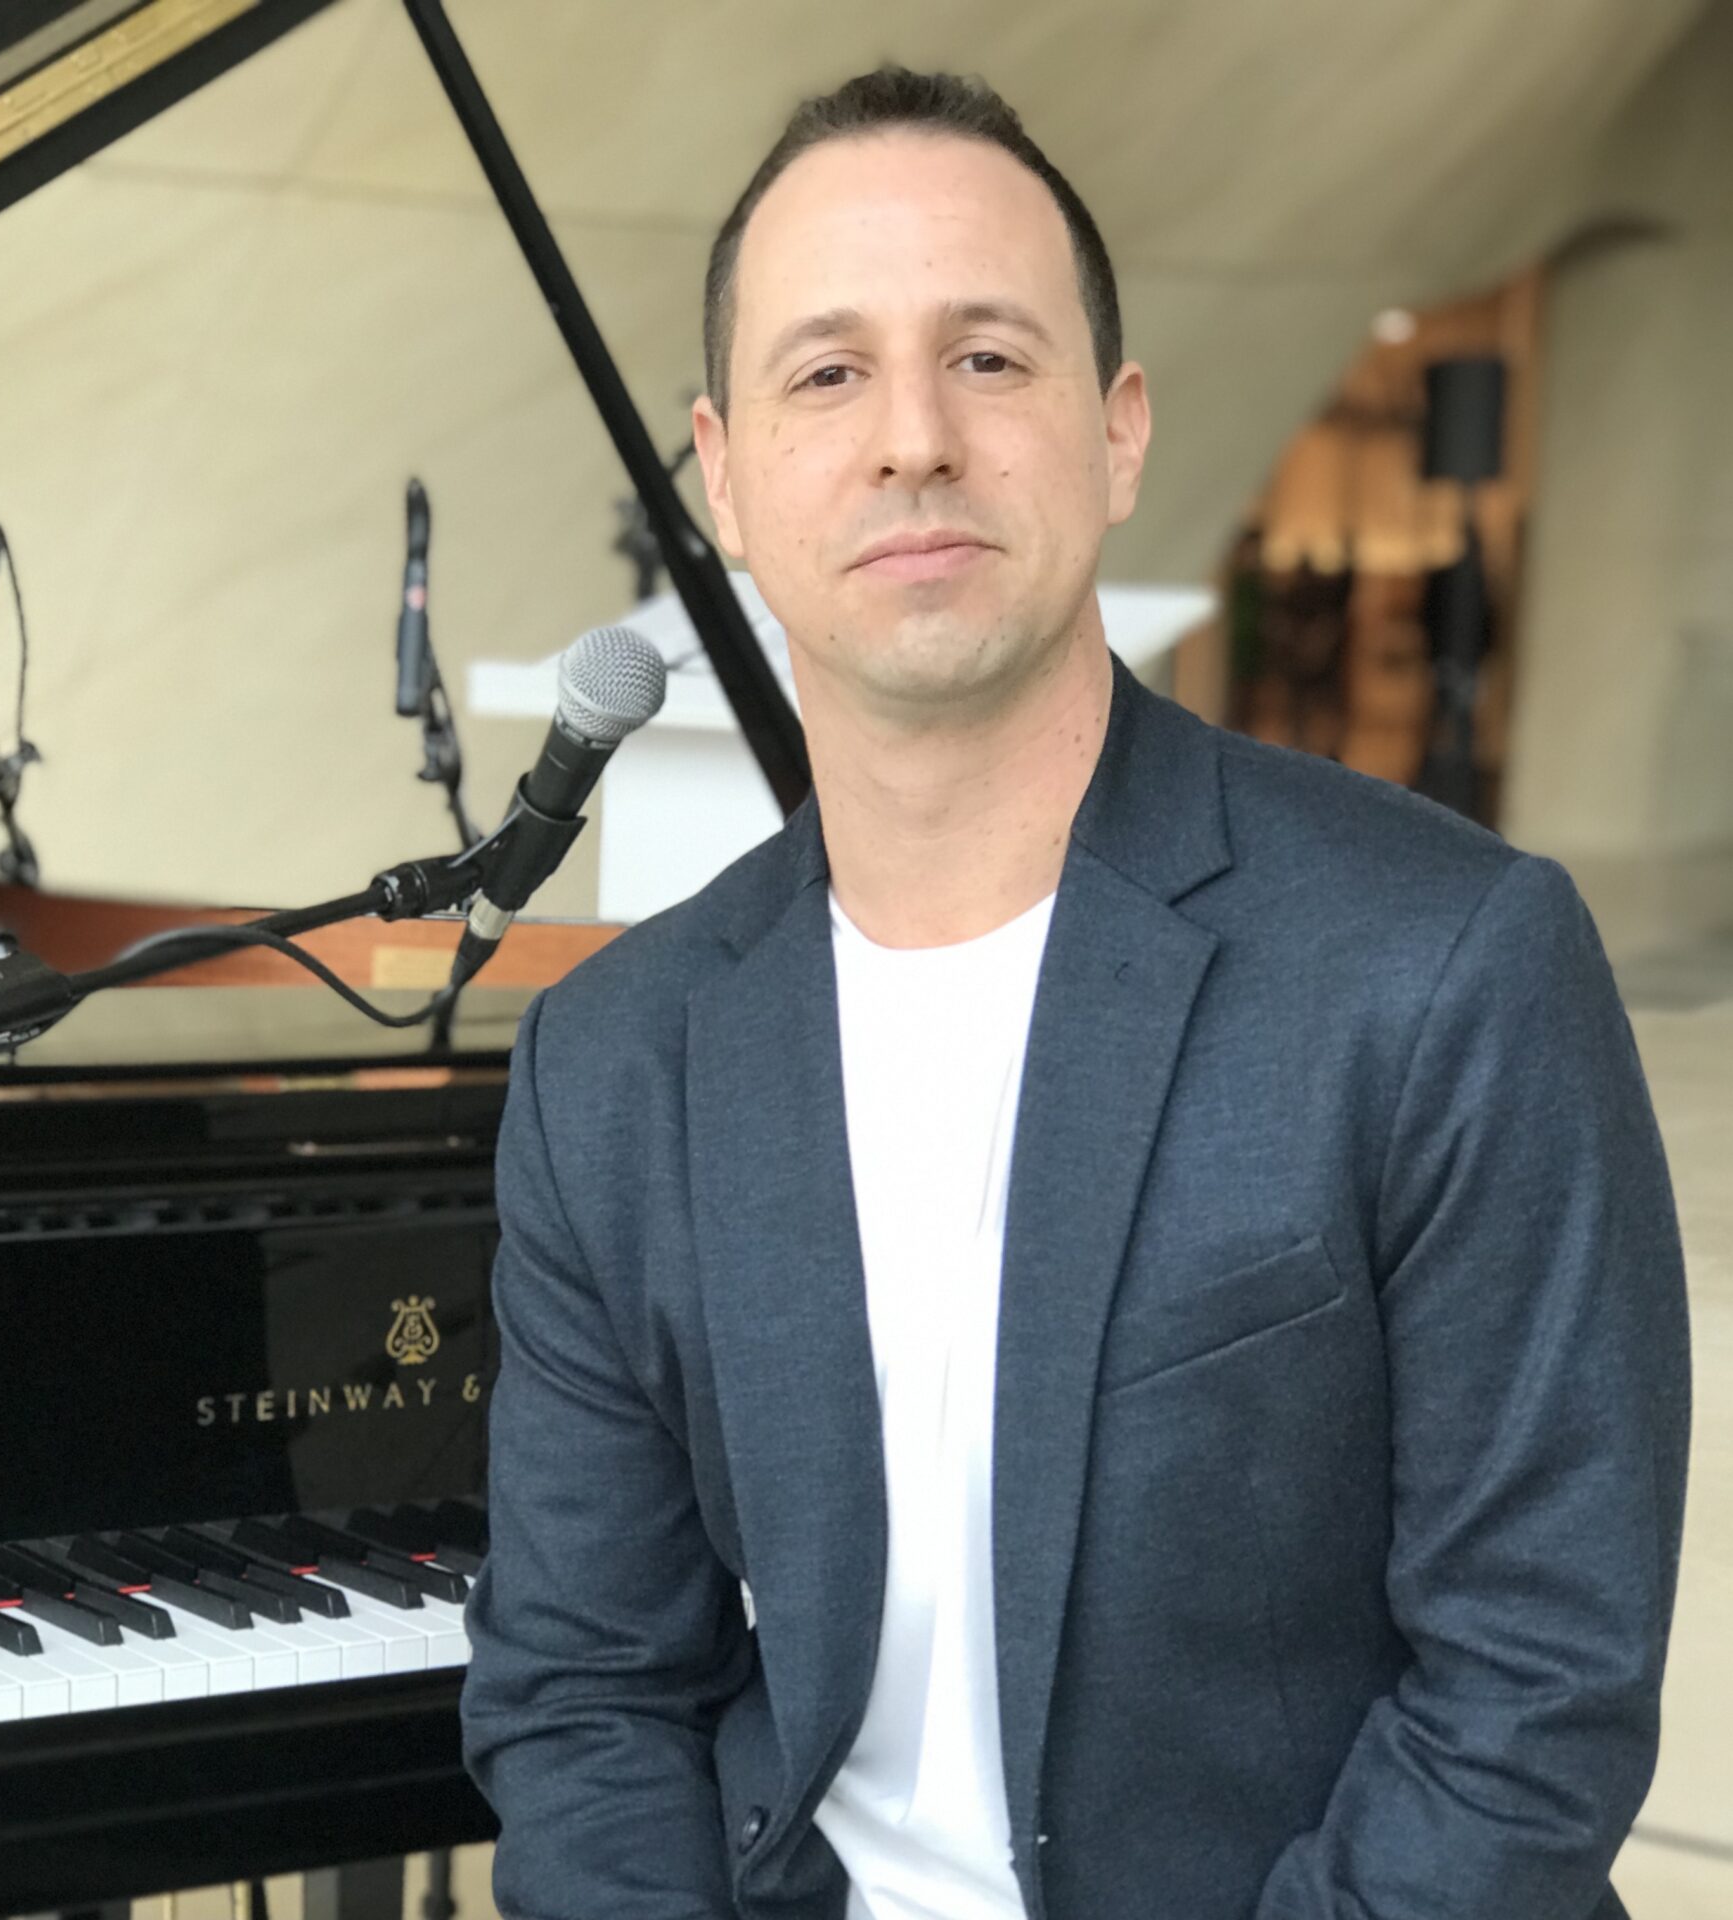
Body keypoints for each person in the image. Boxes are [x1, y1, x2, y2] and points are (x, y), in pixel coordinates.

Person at [459, 66, 1691, 1920]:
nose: (910, 441)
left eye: (988, 359)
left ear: (1117, 435)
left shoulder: (1445, 965)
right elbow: (584, 1697)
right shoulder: (613, 1062)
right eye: (825, 373)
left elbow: (1531, 1700)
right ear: (722, 478)